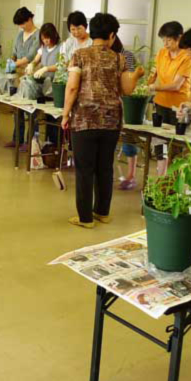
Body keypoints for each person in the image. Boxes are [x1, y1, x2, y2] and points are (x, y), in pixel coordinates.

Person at [62, 13, 136, 228]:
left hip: (84, 120)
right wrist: (137, 75)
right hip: (111, 122)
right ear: (111, 35)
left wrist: (66, 114)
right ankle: (102, 212)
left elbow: (73, 87)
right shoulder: (119, 58)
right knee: (105, 167)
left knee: (85, 169)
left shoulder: (80, 55)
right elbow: (127, 90)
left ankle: (85, 218)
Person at [147, 21, 191, 175]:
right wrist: (145, 84)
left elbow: (176, 85)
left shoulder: (187, 57)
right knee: (159, 142)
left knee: (176, 146)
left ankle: (174, 180)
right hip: (161, 103)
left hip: (179, 107)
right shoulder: (161, 53)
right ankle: (161, 177)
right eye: (163, 40)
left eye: (169, 40)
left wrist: (154, 87)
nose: (165, 44)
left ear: (179, 38)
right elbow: (153, 73)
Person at [111, 37, 145, 191]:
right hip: (112, 103)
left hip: (126, 101)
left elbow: (129, 81)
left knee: (128, 138)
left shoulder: (127, 56)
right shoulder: (107, 55)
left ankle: (131, 176)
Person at [7, 7, 40, 149]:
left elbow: (31, 57)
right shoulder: (20, 35)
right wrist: (9, 63)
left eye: (23, 23)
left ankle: (31, 141)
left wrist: (14, 64)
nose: (21, 27)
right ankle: (17, 138)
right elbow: (14, 52)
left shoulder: (38, 35)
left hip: (31, 74)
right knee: (17, 108)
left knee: (31, 109)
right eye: (19, 25)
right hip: (17, 74)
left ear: (30, 19)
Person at [28, 23, 62, 143]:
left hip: (56, 88)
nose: (45, 41)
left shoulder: (61, 47)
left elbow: (62, 65)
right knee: (44, 116)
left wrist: (46, 68)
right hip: (44, 87)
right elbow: (36, 59)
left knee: (54, 118)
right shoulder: (43, 48)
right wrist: (32, 64)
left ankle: (54, 144)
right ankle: (44, 143)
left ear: (54, 36)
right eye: (43, 38)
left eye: (47, 38)